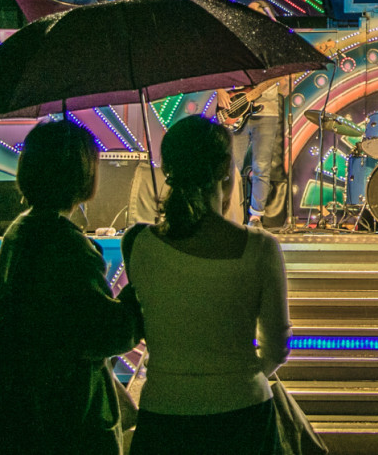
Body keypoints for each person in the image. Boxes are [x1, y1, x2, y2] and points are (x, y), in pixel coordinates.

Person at [0, 120, 141, 454]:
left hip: (22, 405)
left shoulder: (19, 232)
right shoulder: (69, 245)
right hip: (68, 413)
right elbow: (104, 334)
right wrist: (137, 289)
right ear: (82, 174)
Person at [124, 115, 291, 455]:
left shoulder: (137, 243)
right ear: (224, 171)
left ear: (168, 168)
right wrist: (236, 380)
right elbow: (277, 348)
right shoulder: (261, 248)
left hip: (164, 414)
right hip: (243, 415)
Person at [216, 0, 287, 229]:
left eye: (257, 13)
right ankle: (228, 212)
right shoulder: (233, 41)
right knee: (230, 164)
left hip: (266, 110)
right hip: (236, 109)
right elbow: (216, 68)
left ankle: (256, 216)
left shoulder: (274, 43)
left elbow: (281, 74)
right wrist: (219, 90)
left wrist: (255, 93)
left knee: (261, 165)